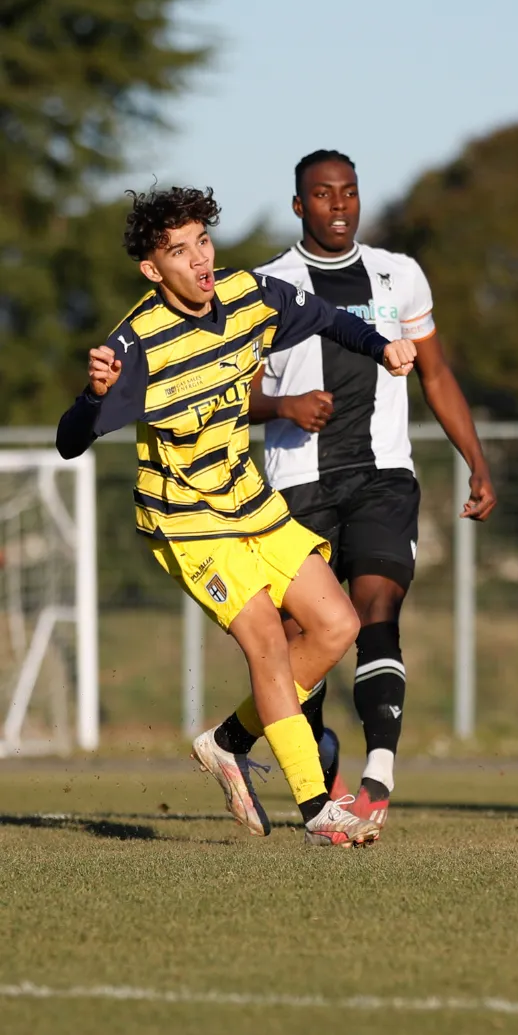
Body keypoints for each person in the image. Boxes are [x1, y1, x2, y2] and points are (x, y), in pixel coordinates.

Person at [55, 186, 417, 847]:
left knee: (337, 626)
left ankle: (229, 741)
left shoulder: (249, 294)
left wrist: (380, 346)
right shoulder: (138, 344)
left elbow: (326, 317)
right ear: (151, 268)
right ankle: (317, 809)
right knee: (267, 642)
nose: (199, 259)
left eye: (203, 241)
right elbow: (69, 440)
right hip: (187, 521)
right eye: (179, 251)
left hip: (250, 502)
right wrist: (93, 396)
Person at [199, 150, 495, 829]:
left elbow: (436, 374)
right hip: (296, 485)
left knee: (377, 607)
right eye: (323, 194)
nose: (339, 205)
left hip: (383, 474)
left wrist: (476, 460)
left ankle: (377, 777)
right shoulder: (268, 285)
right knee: (302, 639)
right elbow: (234, 395)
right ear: (299, 205)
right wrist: (285, 406)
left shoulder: (400, 275)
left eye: (349, 192)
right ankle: (316, 765)